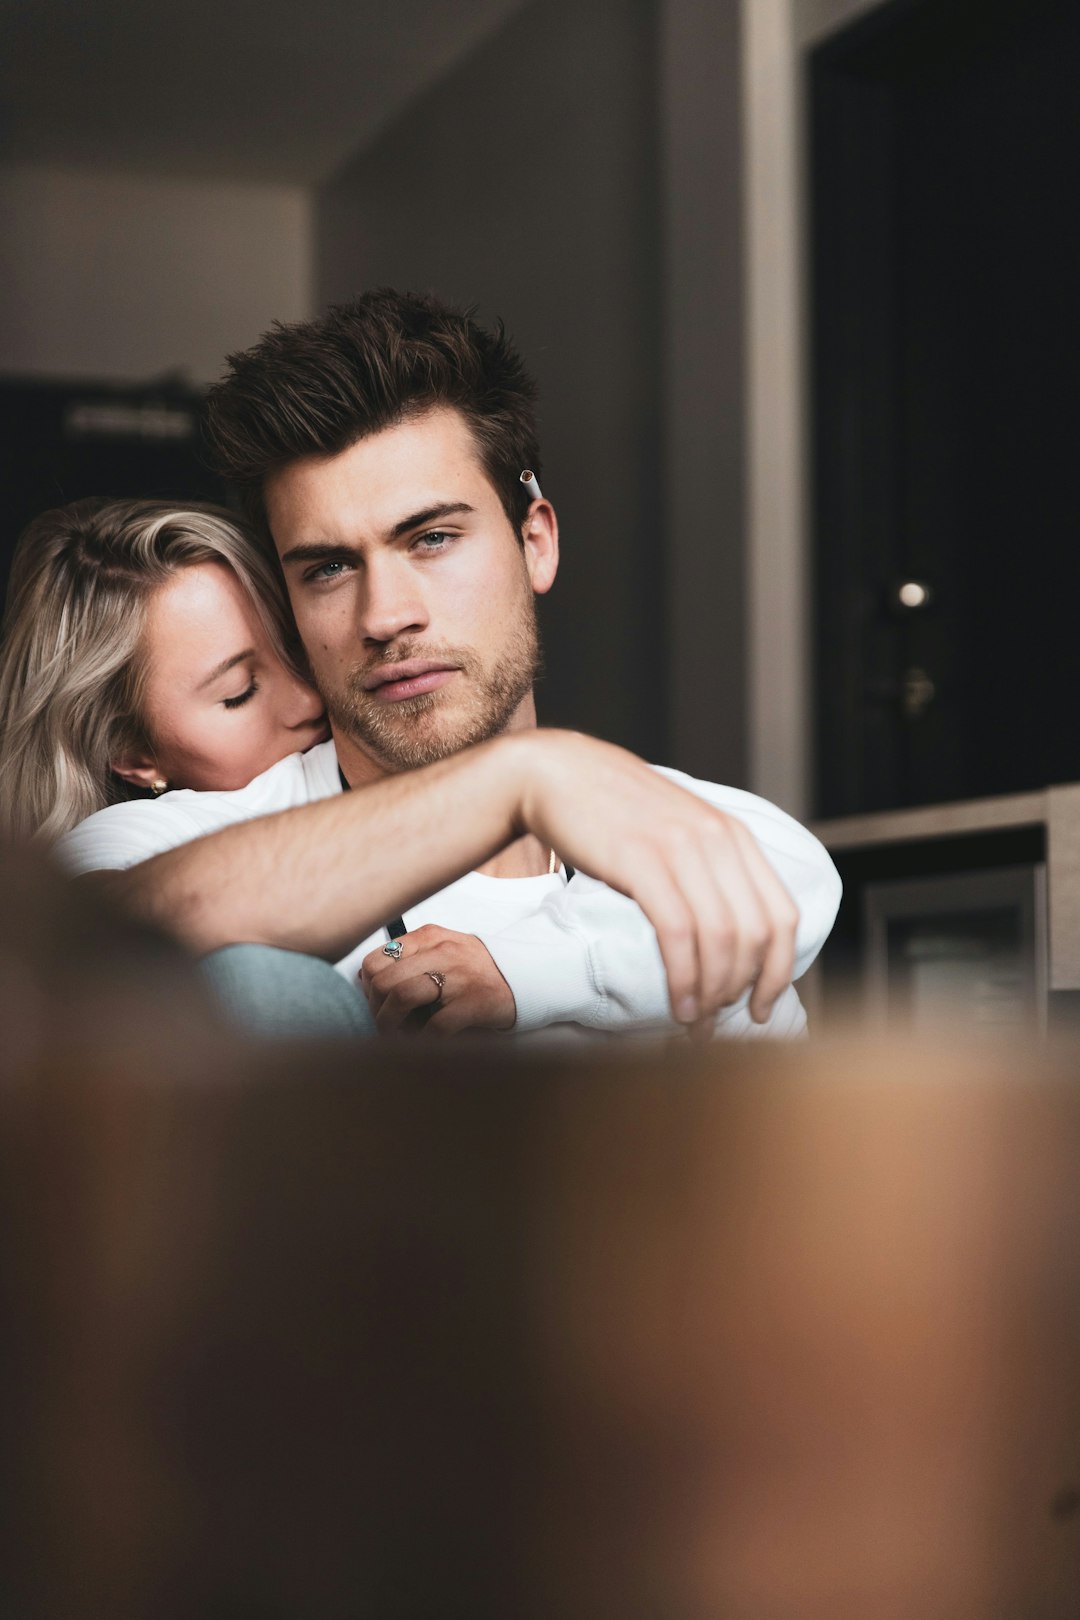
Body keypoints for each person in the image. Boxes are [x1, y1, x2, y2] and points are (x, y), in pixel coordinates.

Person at [55, 291, 841, 1040]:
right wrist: (515, 781)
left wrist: (525, 971)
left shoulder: (663, 846)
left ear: (536, 542)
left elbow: (791, 871)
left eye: (431, 538)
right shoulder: (197, 841)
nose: (386, 616)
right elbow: (74, 946)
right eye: (328, 568)